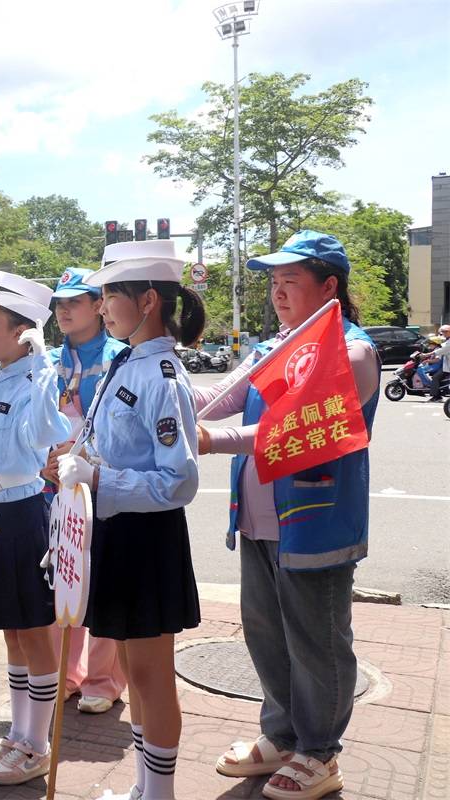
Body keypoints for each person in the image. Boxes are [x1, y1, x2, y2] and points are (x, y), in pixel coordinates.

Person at [195, 231, 381, 800]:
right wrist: (173, 404)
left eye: (290, 281)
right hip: (258, 519)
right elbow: (220, 398)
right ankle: (281, 735)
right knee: (266, 633)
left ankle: (320, 752)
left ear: (330, 287)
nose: (277, 293)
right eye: (273, 283)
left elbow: (292, 429)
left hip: (315, 520)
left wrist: (209, 440)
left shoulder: (350, 350)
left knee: (317, 641)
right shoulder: (277, 345)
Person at [56, 239, 205, 800]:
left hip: (147, 537)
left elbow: (178, 480)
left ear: (147, 300)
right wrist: (78, 463)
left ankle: (158, 793)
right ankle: (146, 788)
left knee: (150, 677)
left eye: (107, 295)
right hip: (116, 533)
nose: (100, 306)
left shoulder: (160, 374)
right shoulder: (128, 361)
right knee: (130, 668)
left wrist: (96, 478)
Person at [0, 271, 71, 785]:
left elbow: (50, 433)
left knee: (34, 631)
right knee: (11, 632)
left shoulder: (34, 378)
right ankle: (18, 736)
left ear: (22, 333)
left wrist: (42, 363)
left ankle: (36, 744)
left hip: (26, 516)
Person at [40, 267, 130, 716]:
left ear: (99, 305)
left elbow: (120, 430)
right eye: (60, 302)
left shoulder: (119, 357)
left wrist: (86, 461)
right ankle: (66, 674)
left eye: (74, 301)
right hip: (57, 487)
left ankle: (104, 679)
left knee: (105, 581)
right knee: (65, 575)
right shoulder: (49, 361)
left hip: (103, 484)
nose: (64, 309)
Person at [421, 323, 450, 400]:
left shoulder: (448, 343)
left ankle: (436, 396)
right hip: (445, 365)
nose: (443, 333)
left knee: (435, 377)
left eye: (445, 331)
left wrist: (426, 355)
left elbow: (440, 351)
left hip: (448, 366)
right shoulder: (446, 341)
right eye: (442, 331)